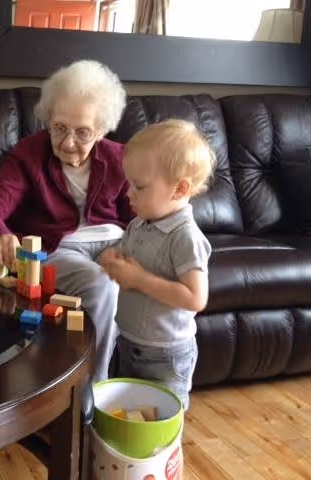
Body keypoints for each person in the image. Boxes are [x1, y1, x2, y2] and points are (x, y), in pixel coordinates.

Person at [0, 59, 132, 382]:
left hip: (115, 242)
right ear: (48, 119)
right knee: (102, 284)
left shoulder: (120, 158)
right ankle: (92, 389)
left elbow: (139, 217)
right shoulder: (30, 155)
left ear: (101, 129)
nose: (68, 141)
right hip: (60, 249)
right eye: (59, 127)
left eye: (82, 132)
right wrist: (0, 233)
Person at [99, 119, 215, 410]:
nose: (128, 193)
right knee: (127, 414)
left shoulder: (185, 237)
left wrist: (139, 280)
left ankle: (162, 457)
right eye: (129, 184)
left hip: (166, 355)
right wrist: (112, 260)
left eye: (139, 186)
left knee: (161, 422)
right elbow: (125, 261)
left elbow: (195, 298)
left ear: (179, 189)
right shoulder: (139, 224)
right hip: (128, 342)